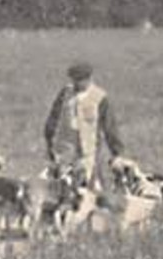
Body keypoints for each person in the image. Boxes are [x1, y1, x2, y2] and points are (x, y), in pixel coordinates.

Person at [44, 61, 124, 189]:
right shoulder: (65, 94)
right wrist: (49, 142)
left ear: (89, 78)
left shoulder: (100, 97)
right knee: (61, 185)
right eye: (74, 80)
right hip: (65, 148)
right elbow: (53, 118)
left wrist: (117, 153)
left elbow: (109, 127)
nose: (77, 83)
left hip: (89, 151)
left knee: (91, 186)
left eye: (80, 80)